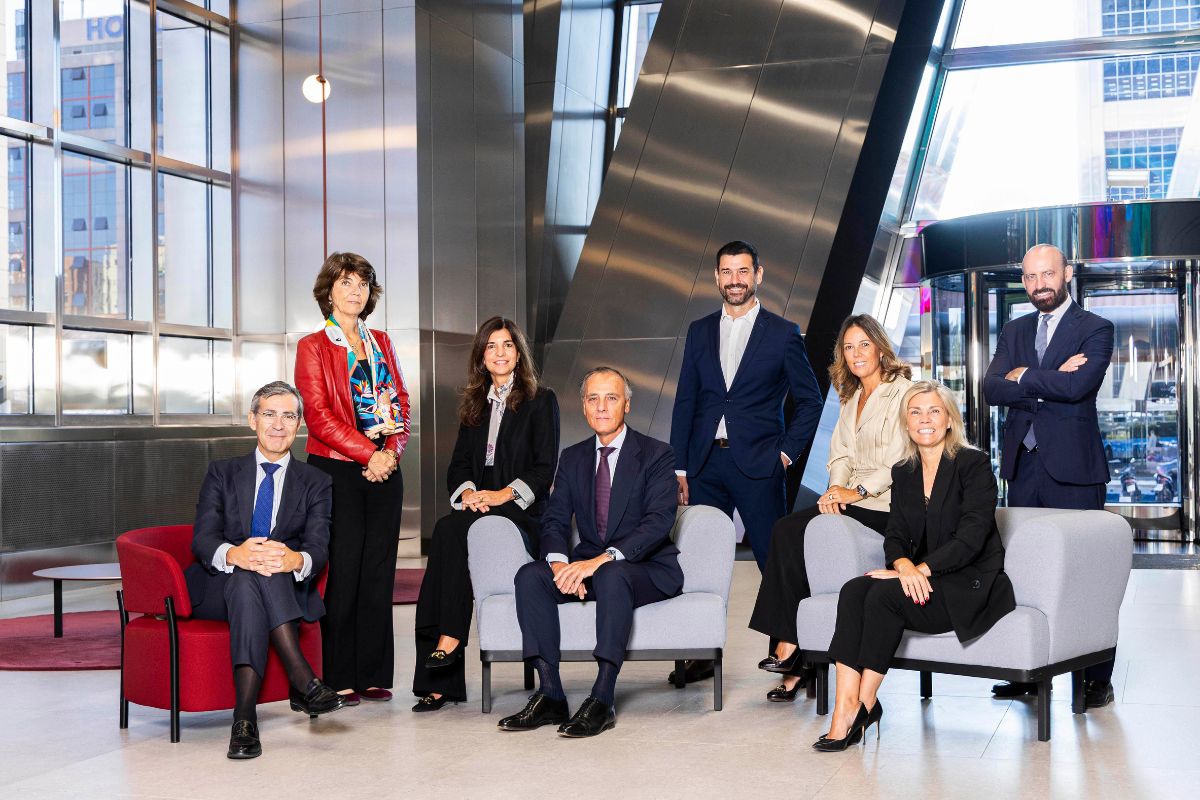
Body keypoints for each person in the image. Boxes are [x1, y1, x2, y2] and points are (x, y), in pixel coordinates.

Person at [814, 380, 1016, 751]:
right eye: (916, 412)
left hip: (966, 583)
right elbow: (895, 534)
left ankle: (863, 704)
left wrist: (916, 571)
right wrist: (904, 564)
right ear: (906, 423)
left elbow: (971, 539)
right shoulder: (904, 471)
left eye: (934, 411)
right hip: (921, 577)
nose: (925, 420)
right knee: (854, 589)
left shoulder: (973, 465)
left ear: (949, 420)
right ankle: (845, 705)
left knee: (883, 597)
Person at [497, 367, 681, 738]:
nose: (601, 407)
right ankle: (551, 693)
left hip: (645, 569)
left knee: (612, 573)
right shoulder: (573, 457)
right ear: (583, 407)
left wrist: (599, 561)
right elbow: (554, 520)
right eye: (593, 399)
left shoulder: (656, 454)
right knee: (530, 576)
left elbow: (658, 522)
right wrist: (560, 565)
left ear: (627, 405)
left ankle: (602, 698)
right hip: (590, 568)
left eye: (611, 398)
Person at [669, 240, 823, 684]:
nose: (734, 280)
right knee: (699, 561)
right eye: (726, 272)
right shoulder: (699, 330)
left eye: (742, 271)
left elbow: (810, 401)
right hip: (703, 464)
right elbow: (686, 401)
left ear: (758, 274)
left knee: (774, 561)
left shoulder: (783, 333)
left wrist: (785, 453)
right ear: (716, 277)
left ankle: (793, 657)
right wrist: (680, 466)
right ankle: (700, 654)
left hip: (759, 465)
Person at [749, 314, 912, 701]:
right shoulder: (851, 397)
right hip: (852, 497)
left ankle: (792, 651)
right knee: (786, 530)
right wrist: (836, 488)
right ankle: (793, 649)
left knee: (795, 531)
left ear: (880, 348)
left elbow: (902, 458)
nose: (856, 354)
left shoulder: (903, 392)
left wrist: (855, 491)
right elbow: (839, 454)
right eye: (849, 347)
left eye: (864, 345)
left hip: (885, 503)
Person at [983, 243, 1116, 707]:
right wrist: (1051, 377)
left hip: (1075, 470)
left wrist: (1024, 376)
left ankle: (1096, 678)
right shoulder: (1014, 328)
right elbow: (990, 388)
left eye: (1048, 274)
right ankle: (1029, 672)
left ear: (1067, 274)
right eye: (1031, 277)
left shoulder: (1095, 328)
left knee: (1087, 574)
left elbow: (1080, 386)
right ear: (1023, 281)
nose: (1040, 284)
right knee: (1023, 574)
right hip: (1024, 468)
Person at [185, 381, 347, 759]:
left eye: (288, 416)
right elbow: (203, 538)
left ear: (299, 425)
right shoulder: (222, 473)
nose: (278, 424)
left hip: (280, 585)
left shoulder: (317, 482)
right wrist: (234, 553)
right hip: (217, 587)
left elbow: (318, 547)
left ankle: (244, 721)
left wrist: (295, 560)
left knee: (255, 577)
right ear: (252, 420)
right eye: (269, 414)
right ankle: (304, 681)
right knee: (246, 573)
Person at [411, 317, 560, 712]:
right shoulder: (474, 405)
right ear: (481, 356)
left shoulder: (541, 400)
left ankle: (448, 645)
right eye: (491, 346)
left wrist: (500, 496)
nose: (500, 352)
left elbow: (544, 469)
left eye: (507, 344)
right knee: (448, 530)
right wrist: (469, 495)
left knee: (452, 531)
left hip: (521, 508)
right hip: (479, 505)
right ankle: (443, 657)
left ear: (519, 353)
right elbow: (459, 465)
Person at [295, 252, 410, 705]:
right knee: (342, 571)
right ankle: (339, 673)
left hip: (385, 467)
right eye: (346, 282)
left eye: (362, 284)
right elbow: (319, 416)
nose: (355, 291)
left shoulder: (381, 341)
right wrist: (369, 454)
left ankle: (372, 672)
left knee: (379, 571)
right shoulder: (313, 346)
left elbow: (401, 401)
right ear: (329, 291)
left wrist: (390, 453)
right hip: (336, 469)